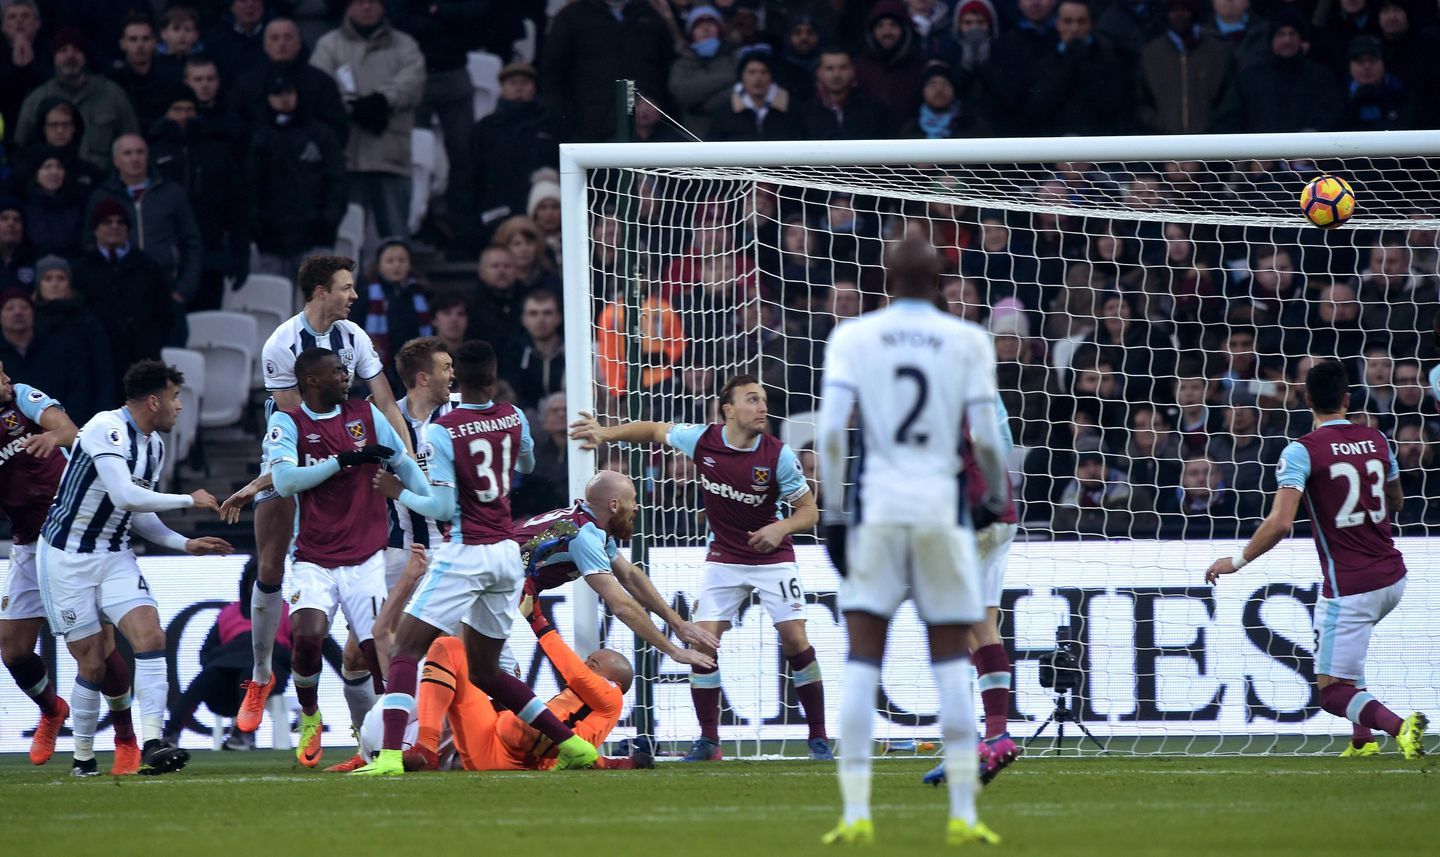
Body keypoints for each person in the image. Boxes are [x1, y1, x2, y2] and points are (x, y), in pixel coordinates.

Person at [815, 237, 1007, 846]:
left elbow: (828, 434)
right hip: (939, 510)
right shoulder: (968, 340)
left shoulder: (853, 337)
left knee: (861, 658)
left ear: (885, 277)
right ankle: (964, 815)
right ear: (943, 278)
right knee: (951, 658)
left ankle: (854, 813)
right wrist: (994, 496)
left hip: (876, 508)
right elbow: (986, 443)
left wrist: (837, 510)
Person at [354, 339, 598, 777]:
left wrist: (400, 492)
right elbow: (525, 465)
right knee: (486, 671)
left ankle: (389, 756)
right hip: (507, 555)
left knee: (406, 647)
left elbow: (446, 509)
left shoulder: (443, 431)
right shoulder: (514, 416)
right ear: (493, 374)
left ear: (458, 379)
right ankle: (575, 746)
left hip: (466, 551)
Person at [569, 374, 828, 762]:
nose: (763, 407)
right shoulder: (702, 439)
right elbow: (654, 430)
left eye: (763, 400)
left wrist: (780, 527)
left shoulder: (779, 456)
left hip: (773, 558)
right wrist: (605, 433)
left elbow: (808, 511)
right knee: (702, 642)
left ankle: (818, 737)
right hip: (724, 557)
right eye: (753, 400)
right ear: (729, 410)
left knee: (794, 638)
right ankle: (709, 741)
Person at [223, 255, 412, 741]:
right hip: (294, 449)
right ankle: (261, 675)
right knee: (269, 564)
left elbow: (386, 402)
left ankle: (384, 724)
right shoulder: (281, 343)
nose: (354, 296)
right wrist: (268, 481)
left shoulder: (355, 337)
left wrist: (410, 457)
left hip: (348, 442)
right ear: (319, 292)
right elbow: (297, 420)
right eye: (347, 288)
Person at [1205, 359, 1427, 760]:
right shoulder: (1378, 441)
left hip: (1351, 585)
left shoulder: (1302, 452)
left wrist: (1234, 561)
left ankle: (1400, 727)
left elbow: (1280, 523)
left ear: (1307, 399)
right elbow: (1396, 501)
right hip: (1394, 576)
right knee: (1346, 657)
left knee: (1330, 691)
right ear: (1347, 399)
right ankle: (1363, 740)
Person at [37, 359, 233, 776]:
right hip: (66, 557)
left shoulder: (154, 446)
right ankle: (84, 758)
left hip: (114, 554)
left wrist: (185, 543)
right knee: (92, 662)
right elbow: (125, 496)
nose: (179, 407)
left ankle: (152, 742)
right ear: (152, 400)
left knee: (150, 635)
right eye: (175, 397)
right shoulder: (104, 428)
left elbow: (139, 515)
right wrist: (188, 499)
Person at [263, 346, 428, 768]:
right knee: (307, 638)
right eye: (336, 371)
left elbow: (401, 462)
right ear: (313, 380)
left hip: (367, 558)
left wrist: (431, 501)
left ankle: (381, 743)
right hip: (313, 557)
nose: (346, 376)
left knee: (379, 657)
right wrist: (343, 460)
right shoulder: (288, 422)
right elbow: (284, 481)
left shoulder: (365, 415)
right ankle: (311, 715)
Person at [509, 470, 719, 673]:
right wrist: (674, 652)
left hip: (499, 593)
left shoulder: (589, 525)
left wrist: (678, 623)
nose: (636, 507)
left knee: (499, 677)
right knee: (500, 676)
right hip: (487, 592)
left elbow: (629, 576)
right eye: (633, 500)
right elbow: (622, 606)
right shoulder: (584, 535)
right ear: (614, 505)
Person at [921, 395, 1020, 788]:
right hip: (1003, 514)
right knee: (983, 627)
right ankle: (996, 735)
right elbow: (1005, 444)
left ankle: (973, 742)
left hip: (968, 515)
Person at [404, 602, 635, 771]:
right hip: (490, 742)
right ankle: (426, 749)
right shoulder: (580, 699)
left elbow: (576, 672)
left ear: (616, 681)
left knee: (520, 723)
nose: (584, 664)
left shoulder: (611, 695)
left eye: (592, 663)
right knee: (448, 647)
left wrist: (539, 622)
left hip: (523, 761)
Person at [0, 363, 78, 763]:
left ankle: (127, 738)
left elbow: (69, 431)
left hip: (70, 535)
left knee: (91, 646)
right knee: (12, 650)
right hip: (28, 544)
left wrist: (51, 437)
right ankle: (51, 709)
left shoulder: (23, 397)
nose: (6, 380)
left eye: (2, 372)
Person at [310, 0, 427, 241]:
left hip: (391, 155)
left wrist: (382, 100)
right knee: (347, 236)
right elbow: (319, 85)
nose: (366, 8)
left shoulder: (405, 45)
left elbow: (413, 82)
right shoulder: (328, 45)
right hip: (347, 157)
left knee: (395, 236)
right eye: (359, 2)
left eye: (372, 2)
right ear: (347, 7)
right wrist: (351, 108)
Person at [162, 559, 292, 750]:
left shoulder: (287, 612)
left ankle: (244, 734)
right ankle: (170, 734)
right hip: (225, 680)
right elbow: (206, 653)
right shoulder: (229, 613)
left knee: (250, 673)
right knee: (207, 677)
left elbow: (299, 655)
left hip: (268, 671)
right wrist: (225, 658)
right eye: (253, 581)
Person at [147, 84, 250, 310]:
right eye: (177, 109)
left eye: (189, 109)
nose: (184, 115)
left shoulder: (218, 152)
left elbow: (236, 207)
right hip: (166, 261)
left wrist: (240, 255)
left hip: (210, 255)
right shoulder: (153, 153)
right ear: (167, 113)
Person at [71, 199, 177, 403]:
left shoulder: (146, 265)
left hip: (140, 360)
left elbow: (165, 313)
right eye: (107, 222)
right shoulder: (81, 268)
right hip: (95, 362)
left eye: (121, 222)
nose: (114, 226)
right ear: (95, 229)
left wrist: (150, 340)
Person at [245, 69, 347, 277]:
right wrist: (257, 227)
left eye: (288, 93)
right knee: (273, 299)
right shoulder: (260, 138)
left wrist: (327, 222)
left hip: (315, 236)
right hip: (272, 240)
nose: (283, 99)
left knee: (315, 304)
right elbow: (251, 187)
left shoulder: (321, 135)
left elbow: (337, 182)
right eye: (277, 94)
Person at [85, 133, 202, 306]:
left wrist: (183, 291)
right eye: (127, 153)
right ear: (116, 161)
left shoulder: (172, 193)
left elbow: (192, 243)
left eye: (140, 152)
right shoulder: (101, 197)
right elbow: (89, 243)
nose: (135, 158)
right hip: (118, 292)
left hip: (167, 289)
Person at [541, 0, 676, 142]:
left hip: (648, 130)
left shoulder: (649, 14)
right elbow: (553, 71)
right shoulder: (571, 16)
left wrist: (652, 97)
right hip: (590, 127)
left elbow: (666, 65)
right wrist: (565, 118)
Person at [468, 63, 563, 250]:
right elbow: (472, 174)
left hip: (542, 211)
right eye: (512, 82)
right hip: (498, 211)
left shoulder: (552, 124)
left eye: (525, 82)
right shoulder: (485, 129)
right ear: (502, 88)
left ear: (534, 87)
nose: (519, 87)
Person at [15, 28, 140, 171]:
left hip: (104, 184)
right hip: (53, 184)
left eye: (76, 50)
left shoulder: (112, 94)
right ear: (54, 57)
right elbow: (21, 148)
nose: (70, 55)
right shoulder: (36, 100)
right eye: (63, 50)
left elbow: (133, 141)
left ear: (85, 56)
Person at [231, 18, 350, 153]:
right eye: (275, 38)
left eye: (288, 37)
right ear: (265, 45)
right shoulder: (247, 83)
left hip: (310, 165)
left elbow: (338, 128)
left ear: (299, 43)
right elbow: (235, 127)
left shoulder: (321, 81)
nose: (282, 43)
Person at [30, 255, 112, 422]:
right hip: (38, 409)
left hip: (83, 408)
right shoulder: (28, 320)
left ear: (70, 284)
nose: (54, 283)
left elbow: (103, 369)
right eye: (48, 278)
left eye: (61, 278)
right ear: (38, 285)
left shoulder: (87, 321)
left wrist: (103, 412)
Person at [1137, 0, 1236, 135]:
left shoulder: (1219, 52)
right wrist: (1160, 125)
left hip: (1211, 142)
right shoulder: (1151, 54)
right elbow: (1141, 100)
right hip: (1163, 144)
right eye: (1173, 10)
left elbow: (1229, 100)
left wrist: (1211, 126)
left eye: (1184, 9)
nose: (1179, 15)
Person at [353, 238, 432, 380]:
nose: (397, 266)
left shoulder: (419, 293)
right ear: (378, 265)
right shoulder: (366, 293)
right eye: (390, 261)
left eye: (402, 261)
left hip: (411, 364)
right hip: (379, 365)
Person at [109, 11, 180, 132]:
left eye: (145, 39)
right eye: (133, 39)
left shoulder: (171, 79)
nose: (140, 45)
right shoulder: (112, 83)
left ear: (155, 42)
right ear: (122, 44)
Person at [798, 49, 893, 139]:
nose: (836, 74)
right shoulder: (804, 113)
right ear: (819, 73)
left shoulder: (875, 111)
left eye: (843, 68)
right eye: (829, 68)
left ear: (853, 71)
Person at [502, 289, 564, 413]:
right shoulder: (513, 353)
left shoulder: (573, 352)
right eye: (533, 313)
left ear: (558, 318)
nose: (540, 320)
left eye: (547, 313)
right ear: (523, 319)